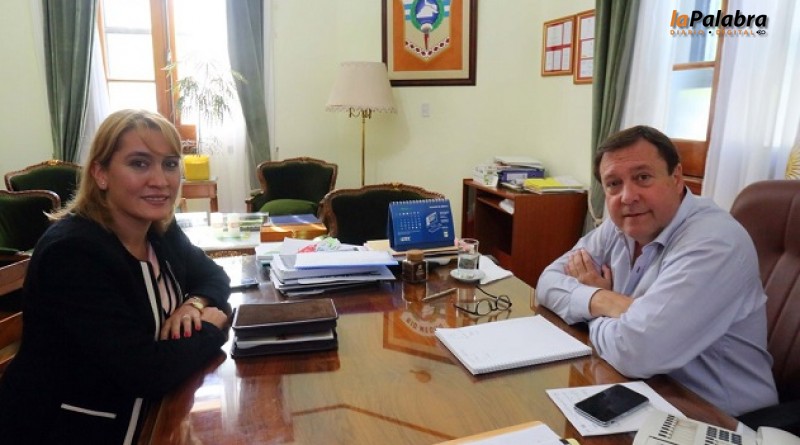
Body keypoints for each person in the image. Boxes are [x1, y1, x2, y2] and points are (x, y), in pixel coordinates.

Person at [0, 109, 231, 444]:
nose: (161, 180)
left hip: (148, 413)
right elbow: (145, 373)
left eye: (169, 164)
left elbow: (214, 276)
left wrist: (193, 304)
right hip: (70, 429)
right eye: (139, 163)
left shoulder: (159, 229)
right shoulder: (73, 253)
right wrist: (210, 328)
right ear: (101, 174)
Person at [536, 125, 778, 417]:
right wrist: (604, 299)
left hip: (720, 415)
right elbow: (546, 283)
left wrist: (588, 311)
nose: (627, 196)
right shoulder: (621, 225)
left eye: (643, 177)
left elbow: (638, 352)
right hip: (645, 392)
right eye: (613, 184)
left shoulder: (714, 241)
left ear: (676, 178)